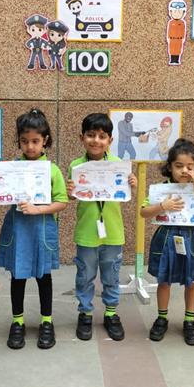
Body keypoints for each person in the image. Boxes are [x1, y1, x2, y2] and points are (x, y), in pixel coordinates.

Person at [0, 109, 68, 349]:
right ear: (19, 141)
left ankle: (46, 322)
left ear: (45, 140)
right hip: (18, 230)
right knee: (18, 276)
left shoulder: (52, 170)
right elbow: (1, 194)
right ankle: (18, 322)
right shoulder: (11, 167)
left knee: (44, 277)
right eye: (25, 141)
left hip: (42, 230)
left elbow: (62, 202)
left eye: (35, 141)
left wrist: (38, 209)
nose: (30, 146)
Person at [67, 113, 137, 341]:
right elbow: (72, 197)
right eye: (90, 135)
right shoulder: (76, 166)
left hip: (113, 233)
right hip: (86, 232)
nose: (96, 140)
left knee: (112, 274)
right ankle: (85, 313)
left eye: (102, 136)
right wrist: (70, 192)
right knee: (85, 275)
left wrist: (132, 184)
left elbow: (124, 194)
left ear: (110, 140)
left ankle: (110, 313)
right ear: (82, 137)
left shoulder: (119, 165)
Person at [140, 139, 194, 345]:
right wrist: (162, 206)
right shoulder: (160, 190)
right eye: (179, 165)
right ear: (170, 166)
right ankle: (162, 318)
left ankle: (189, 321)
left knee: (191, 281)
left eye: (190, 166)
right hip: (165, 238)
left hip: (192, 239)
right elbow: (144, 212)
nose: (184, 171)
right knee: (163, 280)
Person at [166, 0, 187, 65]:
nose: (177, 14)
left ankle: (177, 60)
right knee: (172, 49)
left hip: (179, 39)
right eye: (175, 12)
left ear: (183, 13)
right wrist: (168, 38)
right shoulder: (171, 22)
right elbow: (169, 30)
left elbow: (183, 31)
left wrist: (182, 38)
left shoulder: (182, 23)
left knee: (178, 49)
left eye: (179, 12)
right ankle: (172, 60)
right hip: (172, 39)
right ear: (170, 12)